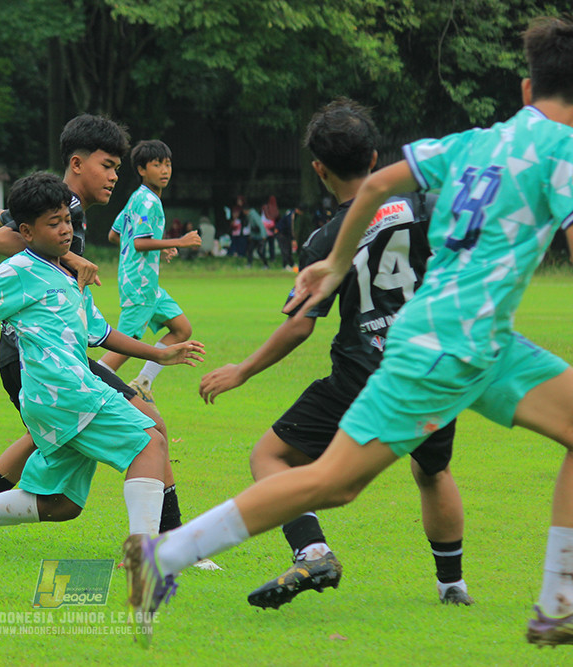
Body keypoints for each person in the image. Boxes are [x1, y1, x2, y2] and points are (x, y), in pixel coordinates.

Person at [122, 16, 573, 646]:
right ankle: (163, 555)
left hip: (474, 341)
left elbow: (384, 181)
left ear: (527, 89)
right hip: (444, 347)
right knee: (333, 483)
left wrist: (335, 262)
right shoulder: (565, 154)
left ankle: (558, 604)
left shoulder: (480, 139)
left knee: (333, 478)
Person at [0, 116, 218, 568]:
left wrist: (159, 353)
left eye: (68, 223)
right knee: (150, 438)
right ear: (77, 163)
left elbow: (99, 332)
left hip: (58, 382)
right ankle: (151, 552)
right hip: (58, 380)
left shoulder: (66, 267)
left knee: (63, 502)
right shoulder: (36, 253)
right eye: (108, 165)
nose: (67, 228)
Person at [199, 98, 472, 609]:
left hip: (362, 374)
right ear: (375, 158)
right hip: (430, 367)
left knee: (270, 455)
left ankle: (313, 551)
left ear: (319, 169)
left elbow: (300, 325)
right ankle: (451, 587)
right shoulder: (425, 207)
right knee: (432, 471)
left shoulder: (326, 240)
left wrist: (243, 369)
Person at [97, 139, 201, 402]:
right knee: (125, 345)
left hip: (148, 285)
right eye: (157, 165)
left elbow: (115, 235)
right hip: (139, 284)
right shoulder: (149, 201)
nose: (164, 170)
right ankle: (87, 386)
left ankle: (143, 383)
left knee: (181, 329)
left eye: (167, 164)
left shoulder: (137, 197)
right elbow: (139, 242)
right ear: (142, 170)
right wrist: (178, 241)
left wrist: (158, 249)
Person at [275, 205, 301, 270]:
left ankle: (292, 264)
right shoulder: (291, 215)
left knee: (289, 249)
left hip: (285, 234)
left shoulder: (291, 212)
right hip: (281, 233)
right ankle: (285, 265)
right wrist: (293, 239)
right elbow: (290, 227)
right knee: (285, 249)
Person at [245, 201, 268, 268]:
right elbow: (252, 227)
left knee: (260, 251)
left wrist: (263, 236)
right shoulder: (249, 216)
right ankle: (249, 264)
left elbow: (260, 225)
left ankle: (266, 265)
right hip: (254, 236)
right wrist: (251, 235)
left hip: (260, 236)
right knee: (250, 250)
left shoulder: (254, 215)